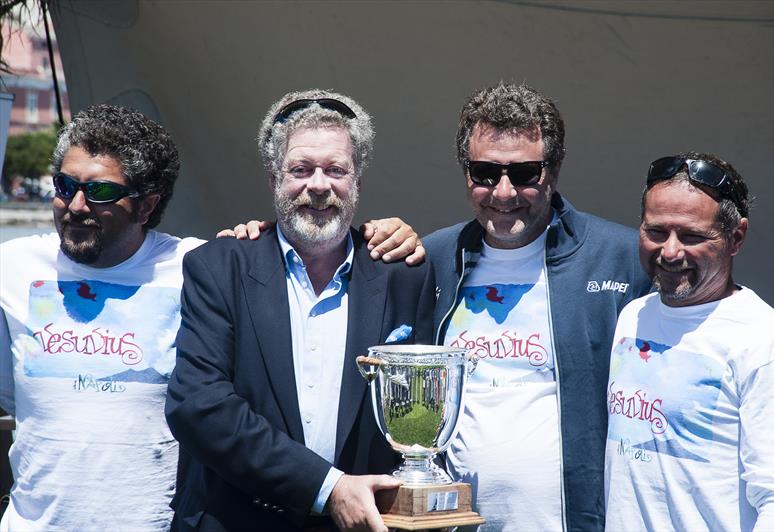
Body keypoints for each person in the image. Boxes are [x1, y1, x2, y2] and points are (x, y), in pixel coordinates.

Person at [231, 82, 652, 531]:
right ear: (465, 171)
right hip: (443, 523)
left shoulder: (622, 259)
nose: (504, 192)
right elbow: (326, 253)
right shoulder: (429, 258)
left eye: (525, 173)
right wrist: (264, 242)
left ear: (554, 169)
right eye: (486, 172)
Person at [165, 90, 435, 532]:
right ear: (274, 180)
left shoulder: (403, 274)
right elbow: (197, 405)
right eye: (301, 169)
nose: (319, 185)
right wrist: (327, 489)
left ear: (358, 182)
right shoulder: (218, 267)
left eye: (335, 170)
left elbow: (416, 417)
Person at [0, 104, 204, 530]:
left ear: (146, 206)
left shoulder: (197, 266)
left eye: (100, 192)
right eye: (65, 185)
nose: (75, 206)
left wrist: (383, 229)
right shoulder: (12, 266)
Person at [604, 153, 774, 531]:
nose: (671, 251)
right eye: (656, 232)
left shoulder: (772, 344)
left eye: (692, 236)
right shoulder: (634, 316)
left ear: (736, 238)